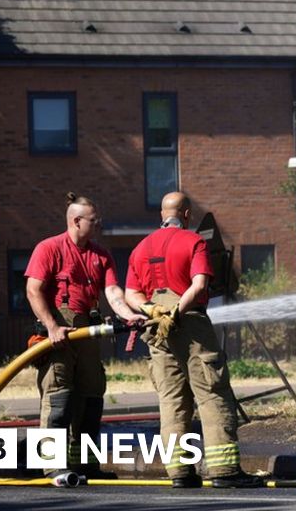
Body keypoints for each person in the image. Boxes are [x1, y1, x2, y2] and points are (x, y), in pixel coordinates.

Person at [124, 191, 263, 489]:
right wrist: (176, 311)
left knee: (172, 400)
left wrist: (153, 310)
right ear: (186, 215)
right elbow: (199, 285)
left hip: (156, 329)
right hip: (190, 324)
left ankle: (180, 472)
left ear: (162, 215)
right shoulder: (194, 241)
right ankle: (225, 471)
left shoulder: (139, 249)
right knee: (212, 393)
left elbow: (130, 295)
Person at [26, 192, 146, 481]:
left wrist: (129, 315)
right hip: (60, 333)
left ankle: (85, 465)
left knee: (91, 398)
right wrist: (52, 327)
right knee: (59, 399)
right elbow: (33, 289)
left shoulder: (100, 254)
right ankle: (53, 466)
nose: (99, 225)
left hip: (88, 334)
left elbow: (113, 292)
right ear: (76, 221)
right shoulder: (49, 248)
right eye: (94, 221)